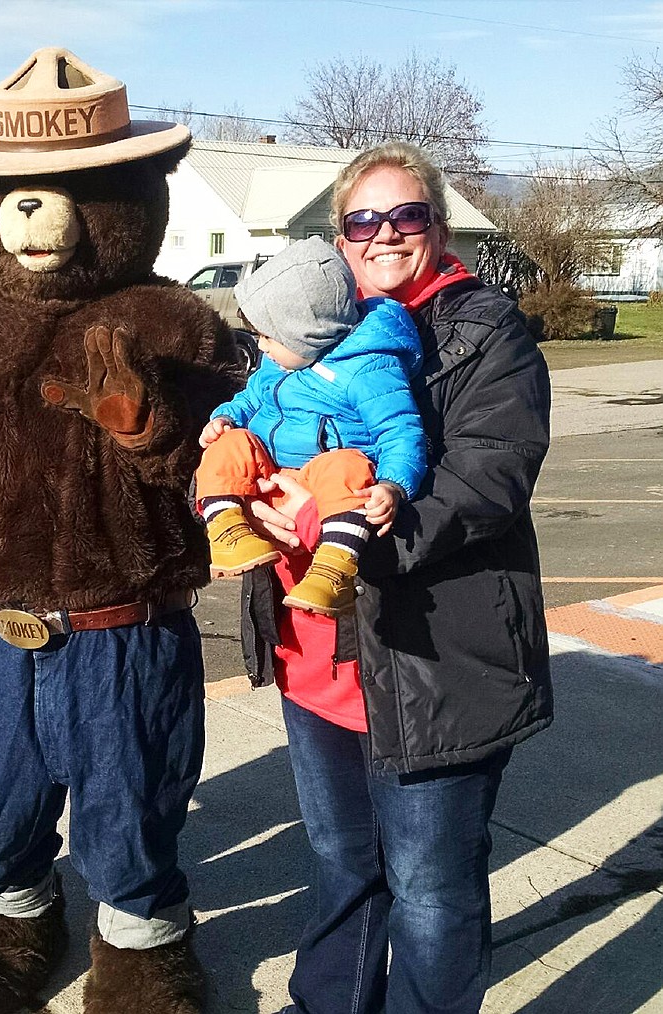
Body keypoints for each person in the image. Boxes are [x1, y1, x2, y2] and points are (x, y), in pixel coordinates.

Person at [241, 143, 552, 1014]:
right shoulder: (308, 331)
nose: (383, 235)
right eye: (362, 221)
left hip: (434, 660)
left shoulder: (482, 329)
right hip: (317, 658)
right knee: (342, 862)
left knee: (431, 889)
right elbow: (261, 430)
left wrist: (335, 523)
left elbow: (488, 474)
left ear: (437, 228)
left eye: (405, 216)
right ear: (338, 239)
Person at [195, 236, 426, 616]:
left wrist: (393, 484)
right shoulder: (279, 362)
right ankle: (227, 531)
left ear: (309, 332)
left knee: (346, 467)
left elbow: (400, 430)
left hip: (325, 483)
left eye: (269, 336)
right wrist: (225, 417)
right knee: (229, 444)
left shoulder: (366, 368)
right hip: (271, 475)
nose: (263, 347)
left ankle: (335, 568)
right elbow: (251, 398)